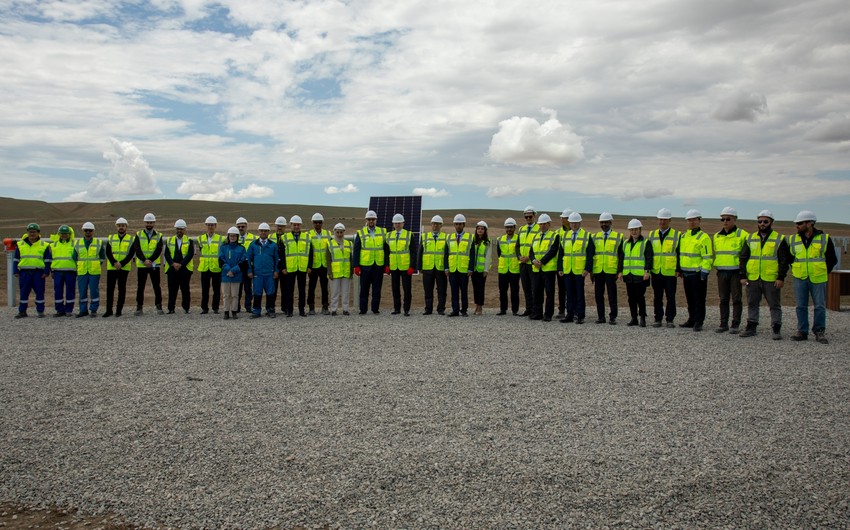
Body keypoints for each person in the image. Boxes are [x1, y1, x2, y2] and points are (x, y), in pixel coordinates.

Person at [738, 210, 791, 340]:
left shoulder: (779, 239)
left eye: (765, 221)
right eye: (760, 221)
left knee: (774, 305)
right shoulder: (750, 238)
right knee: (752, 303)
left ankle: (776, 328)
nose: (762, 224)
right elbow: (743, 257)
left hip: (771, 278)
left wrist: (780, 277)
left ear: (771, 222)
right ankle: (751, 326)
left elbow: (784, 260)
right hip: (753, 277)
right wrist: (743, 275)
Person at [788, 210, 837, 344]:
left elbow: (832, 259)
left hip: (818, 277)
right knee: (800, 305)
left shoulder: (824, 238)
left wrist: (822, 270)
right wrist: (796, 268)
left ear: (810, 223)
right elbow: (790, 257)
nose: (797, 226)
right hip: (800, 277)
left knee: (819, 306)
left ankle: (819, 331)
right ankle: (802, 331)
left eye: (800, 223)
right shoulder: (793, 239)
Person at [713, 207, 749, 333]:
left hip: (736, 272)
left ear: (735, 219)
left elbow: (746, 255)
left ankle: (735, 324)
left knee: (736, 299)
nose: (725, 221)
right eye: (722, 219)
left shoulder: (743, 235)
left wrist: (744, 273)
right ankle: (723, 324)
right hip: (721, 272)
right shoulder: (717, 236)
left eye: (728, 219)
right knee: (723, 299)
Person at [678, 209, 713, 331]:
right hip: (686, 273)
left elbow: (707, 257)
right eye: (689, 220)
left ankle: (699, 321)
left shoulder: (704, 238)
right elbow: (681, 254)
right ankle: (691, 319)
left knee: (699, 299)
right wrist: (680, 269)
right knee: (690, 299)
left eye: (694, 220)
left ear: (699, 221)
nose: (691, 222)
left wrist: (704, 272)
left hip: (698, 274)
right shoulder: (684, 236)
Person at [558, 212, 594, 324]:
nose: (573, 225)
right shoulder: (565, 236)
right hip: (568, 269)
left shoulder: (587, 236)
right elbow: (561, 254)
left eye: (575, 223)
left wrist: (587, 269)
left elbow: (590, 254)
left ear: (579, 223)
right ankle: (569, 315)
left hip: (579, 270)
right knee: (569, 293)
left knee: (579, 294)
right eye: (572, 223)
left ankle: (580, 315)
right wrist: (560, 268)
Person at [647, 208, 680, 328]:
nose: (662, 222)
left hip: (670, 272)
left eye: (665, 220)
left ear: (669, 220)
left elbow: (679, 253)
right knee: (657, 297)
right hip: (656, 271)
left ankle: (670, 319)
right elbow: (649, 254)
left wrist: (678, 269)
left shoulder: (677, 235)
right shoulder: (652, 234)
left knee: (670, 297)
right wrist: (649, 268)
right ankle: (658, 318)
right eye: (660, 219)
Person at [617, 219, 653, 327]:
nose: (634, 231)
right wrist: (620, 271)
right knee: (631, 297)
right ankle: (634, 318)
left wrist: (647, 271)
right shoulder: (625, 244)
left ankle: (642, 317)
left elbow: (649, 258)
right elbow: (621, 259)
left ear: (640, 229)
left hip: (640, 275)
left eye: (636, 229)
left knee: (640, 297)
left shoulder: (645, 243)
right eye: (632, 229)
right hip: (629, 275)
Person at [353, 210, 389, 315]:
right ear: (366, 220)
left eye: (373, 219)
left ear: (376, 220)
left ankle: (375, 309)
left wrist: (387, 264)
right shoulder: (361, 233)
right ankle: (363, 309)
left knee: (377, 289)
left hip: (378, 265)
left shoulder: (383, 232)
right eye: (369, 219)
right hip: (365, 266)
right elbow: (356, 250)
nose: (371, 221)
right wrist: (356, 266)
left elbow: (386, 250)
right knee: (364, 288)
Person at [13, 223, 51, 318]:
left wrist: (46, 271)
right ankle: (22, 311)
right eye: (30, 232)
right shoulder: (20, 244)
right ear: (27, 232)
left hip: (38, 273)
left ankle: (40, 311)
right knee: (24, 292)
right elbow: (16, 259)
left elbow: (47, 260)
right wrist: (15, 271)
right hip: (24, 272)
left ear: (38, 233)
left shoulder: (44, 245)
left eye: (34, 232)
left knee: (39, 292)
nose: (32, 234)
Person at [592, 212, 622, 325]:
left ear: (610, 223)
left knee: (612, 295)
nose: (604, 224)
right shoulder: (594, 237)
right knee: (598, 295)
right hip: (598, 270)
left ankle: (612, 317)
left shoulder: (618, 237)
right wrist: (591, 271)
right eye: (602, 222)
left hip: (611, 270)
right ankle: (601, 317)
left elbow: (620, 256)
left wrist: (619, 271)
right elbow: (591, 255)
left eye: (606, 222)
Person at [132, 213, 164, 316]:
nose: (149, 224)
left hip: (154, 265)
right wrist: (144, 260)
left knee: (156, 286)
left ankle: (159, 306)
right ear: (144, 223)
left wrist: (150, 260)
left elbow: (158, 250)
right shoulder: (138, 234)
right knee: (140, 287)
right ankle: (139, 307)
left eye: (151, 222)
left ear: (154, 223)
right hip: (142, 265)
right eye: (147, 222)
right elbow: (137, 249)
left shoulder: (159, 235)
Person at [529, 214, 560, 321]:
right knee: (536, 292)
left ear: (549, 224)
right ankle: (537, 313)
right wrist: (533, 261)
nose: (542, 226)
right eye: (540, 224)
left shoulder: (555, 236)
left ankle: (548, 314)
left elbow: (553, 251)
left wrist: (541, 262)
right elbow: (531, 252)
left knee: (549, 293)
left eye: (544, 224)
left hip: (548, 269)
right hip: (536, 269)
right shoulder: (535, 236)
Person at [247, 223, 280, 318]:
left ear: (268, 232)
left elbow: (277, 259)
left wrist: (276, 270)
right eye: (261, 231)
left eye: (265, 231)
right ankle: (256, 311)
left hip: (269, 273)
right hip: (257, 274)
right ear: (259, 232)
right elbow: (248, 258)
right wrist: (249, 270)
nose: (263, 232)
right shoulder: (253, 245)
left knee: (270, 292)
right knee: (257, 292)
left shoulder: (273, 245)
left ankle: (270, 310)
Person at [103, 217, 134, 317]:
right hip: (112, 267)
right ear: (116, 226)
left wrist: (121, 263)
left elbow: (131, 253)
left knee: (122, 289)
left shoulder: (131, 239)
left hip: (124, 268)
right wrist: (114, 263)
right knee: (110, 289)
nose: (121, 227)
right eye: (119, 225)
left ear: (126, 227)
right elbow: (108, 252)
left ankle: (119, 310)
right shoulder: (111, 238)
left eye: (123, 226)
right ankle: (109, 310)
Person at [280, 215, 310, 317]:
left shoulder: (307, 237)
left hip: (302, 267)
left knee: (302, 290)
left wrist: (309, 266)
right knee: (289, 290)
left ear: (300, 225)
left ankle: (302, 310)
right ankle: (289, 310)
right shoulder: (285, 237)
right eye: (294, 225)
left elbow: (310, 253)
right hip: (290, 268)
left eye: (298, 225)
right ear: (291, 225)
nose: (296, 226)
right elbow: (282, 255)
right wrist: (283, 267)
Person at [164, 219, 195, 314]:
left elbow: (190, 254)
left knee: (185, 289)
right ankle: (171, 308)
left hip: (185, 269)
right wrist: (173, 264)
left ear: (185, 230)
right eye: (178, 229)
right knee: (172, 289)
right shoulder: (169, 240)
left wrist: (181, 264)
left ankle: (186, 308)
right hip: (172, 269)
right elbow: (166, 254)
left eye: (181, 229)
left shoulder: (189, 241)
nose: (179, 231)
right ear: (175, 229)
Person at [445, 214, 473, 317]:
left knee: (464, 291)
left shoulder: (470, 237)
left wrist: (470, 268)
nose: (458, 226)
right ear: (454, 224)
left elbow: (472, 254)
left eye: (460, 224)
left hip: (464, 269)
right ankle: (455, 310)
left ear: (464, 225)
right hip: (452, 269)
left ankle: (464, 310)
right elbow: (446, 254)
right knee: (454, 291)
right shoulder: (449, 237)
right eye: (456, 224)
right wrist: (446, 267)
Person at [74, 222, 105, 317]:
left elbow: (102, 257)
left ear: (93, 231)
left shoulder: (98, 243)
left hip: (94, 272)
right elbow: (74, 257)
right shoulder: (77, 243)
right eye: (86, 230)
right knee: (82, 291)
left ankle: (93, 309)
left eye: (90, 230)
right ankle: (83, 310)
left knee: (94, 291)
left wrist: (95, 264)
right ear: (83, 231)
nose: (88, 232)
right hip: (82, 271)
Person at [419, 215, 448, 315]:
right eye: (434, 224)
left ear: (441, 225)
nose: (435, 226)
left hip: (441, 268)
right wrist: (420, 267)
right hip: (427, 268)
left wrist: (447, 267)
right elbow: (420, 252)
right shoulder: (424, 237)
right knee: (428, 290)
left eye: (437, 224)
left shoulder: (446, 237)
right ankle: (428, 309)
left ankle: (441, 309)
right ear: (431, 225)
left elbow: (447, 254)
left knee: (442, 290)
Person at [387, 213, 415, 316]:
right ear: (393, 224)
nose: (397, 225)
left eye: (399, 223)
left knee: (407, 289)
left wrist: (412, 266)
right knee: (395, 288)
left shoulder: (409, 234)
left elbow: (413, 252)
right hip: (394, 266)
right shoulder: (388, 235)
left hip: (405, 266)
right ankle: (397, 308)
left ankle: (406, 309)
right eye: (395, 223)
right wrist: (387, 265)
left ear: (403, 223)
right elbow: (387, 251)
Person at [219, 226, 247, 320]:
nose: (232, 237)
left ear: (237, 237)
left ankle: (234, 312)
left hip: (236, 275)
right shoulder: (223, 248)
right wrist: (228, 270)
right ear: (228, 236)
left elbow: (243, 262)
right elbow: (221, 261)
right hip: (225, 275)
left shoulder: (241, 249)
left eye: (234, 236)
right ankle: (226, 312)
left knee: (235, 295)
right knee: (226, 295)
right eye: (231, 236)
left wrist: (233, 270)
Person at [197, 216, 223, 314]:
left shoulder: (221, 239)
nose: (210, 227)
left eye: (212, 225)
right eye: (209, 225)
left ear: (215, 226)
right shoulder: (201, 238)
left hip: (216, 268)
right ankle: (204, 308)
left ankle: (215, 307)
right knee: (205, 289)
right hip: (204, 268)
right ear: (206, 226)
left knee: (216, 290)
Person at [307, 212, 332, 315]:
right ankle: (311, 307)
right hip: (313, 266)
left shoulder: (328, 234)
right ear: (313, 223)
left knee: (324, 287)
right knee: (311, 287)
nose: (318, 224)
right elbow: (307, 252)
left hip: (324, 265)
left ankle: (325, 306)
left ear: (322, 223)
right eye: (316, 222)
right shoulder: (308, 235)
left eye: (320, 222)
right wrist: (308, 266)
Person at [495, 218, 521, 316]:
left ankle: (515, 310)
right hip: (503, 269)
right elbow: (499, 253)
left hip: (514, 269)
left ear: (514, 228)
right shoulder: (500, 239)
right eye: (507, 227)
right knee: (502, 291)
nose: (509, 229)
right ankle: (503, 309)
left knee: (514, 291)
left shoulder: (518, 239)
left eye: (510, 227)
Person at [517, 206, 540, 316]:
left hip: (532, 263)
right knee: (526, 287)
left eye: (530, 216)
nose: (528, 219)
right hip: (522, 263)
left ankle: (536, 310)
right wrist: (519, 257)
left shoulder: (539, 229)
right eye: (526, 217)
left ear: (534, 216)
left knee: (534, 288)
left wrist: (530, 258)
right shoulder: (521, 229)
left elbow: (538, 246)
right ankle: (528, 308)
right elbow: (517, 246)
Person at [326, 223, 353, 315]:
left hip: (346, 272)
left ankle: (345, 309)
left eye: (341, 232)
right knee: (334, 292)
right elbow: (328, 259)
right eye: (337, 232)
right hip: (334, 272)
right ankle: (334, 309)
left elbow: (351, 258)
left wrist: (351, 271)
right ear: (334, 232)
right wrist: (329, 272)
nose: (339, 234)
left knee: (346, 292)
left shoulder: (349, 244)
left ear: (344, 232)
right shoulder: (330, 244)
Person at [50, 225, 76, 317]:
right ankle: (59, 310)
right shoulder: (54, 245)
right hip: (57, 271)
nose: (64, 235)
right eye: (62, 233)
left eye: (66, 233)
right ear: (59, 234)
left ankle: (69, 309)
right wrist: (51, 271)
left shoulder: (74, 244)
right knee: (58, 291)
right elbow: (51, 259)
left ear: (69, 234)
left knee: (70, 291)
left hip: (71, 271)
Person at [470, 221, 492, 315]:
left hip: (482, 270)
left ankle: (480, 307)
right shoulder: (472, 241)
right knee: (475, 288)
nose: (480, 230)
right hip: (474, 270)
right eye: (478, 228)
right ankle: (476, 305)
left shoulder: (487, 242)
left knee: (481, 288)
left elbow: (488, 256)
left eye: (482, 229)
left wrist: (486, 269)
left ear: (485, 231)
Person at [235, 217, 256, 314]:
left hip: (248, 267)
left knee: (248, 288)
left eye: (242, 226)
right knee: (237, 289)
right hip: (238, 267)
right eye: (238, 226)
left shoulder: (253, 238)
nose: (240, 228)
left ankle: (248, 306)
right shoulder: (233, 237)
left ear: (246, 226)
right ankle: (237, 307)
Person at [556, 208, 574, 318]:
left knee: (572, 289)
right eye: (562, 217)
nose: (562, 219)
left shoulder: (577, 232)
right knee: (561, 289)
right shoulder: (558, 232)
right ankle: (562, 310)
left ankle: (573, 310)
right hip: (561, 264)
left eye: (564, 218)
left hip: (573, 265)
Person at [270, 216, 290, 313]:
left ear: (285, 227)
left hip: (284, 268)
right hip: (273, 267)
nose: (279, 228)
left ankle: (285, 307)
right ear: (275, 226)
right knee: (272, 288)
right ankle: (271, 307)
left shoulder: (287, 238)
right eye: (278, 226)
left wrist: (284, 267)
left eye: (281, 226)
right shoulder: (271, 237)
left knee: (285, 289)